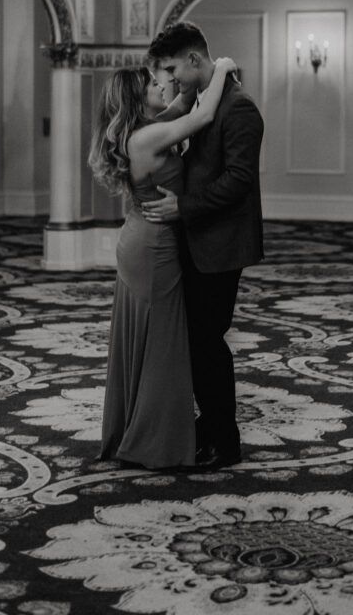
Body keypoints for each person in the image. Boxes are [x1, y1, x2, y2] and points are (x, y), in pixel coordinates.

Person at [88, 57, 237, 470]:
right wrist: (222, 67)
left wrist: (193, 76)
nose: (164, 84)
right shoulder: (145, 139)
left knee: (158, 338)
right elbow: (202, 115)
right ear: (139, 97)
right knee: (162, 343)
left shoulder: (145, 131)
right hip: (152, 248)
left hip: (146, 239)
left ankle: (145, 429)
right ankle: (153, 441)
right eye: (155, 82)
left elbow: (183, 104)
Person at [143, 22, 265, 468]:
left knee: (207, 342)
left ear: (195, 59)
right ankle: (207, 428)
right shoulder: (198, 101)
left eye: (174, 68)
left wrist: (184, 208)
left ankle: (224, 440)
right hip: (195, 241)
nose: (171, 78)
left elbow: (238, 181)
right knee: (197, 342)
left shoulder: (240, 108)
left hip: (221, 243)